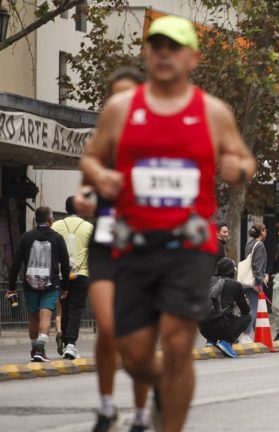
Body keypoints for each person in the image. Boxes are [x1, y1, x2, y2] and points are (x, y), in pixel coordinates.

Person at [79, 16, 256, 432]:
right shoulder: (122, 109)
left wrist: (239, 169)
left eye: (173, 47)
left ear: (192, 57)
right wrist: (99, 176)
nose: (163, 53)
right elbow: (90, 155)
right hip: (134, 244)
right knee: (135, 353)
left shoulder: (212, 112)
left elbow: (243, 159)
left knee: (178, 346)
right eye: (156, 45)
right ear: (147, 54)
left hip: (189, 246)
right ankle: (164, 384)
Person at [74, 66, 151, 432]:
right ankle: (107, 407)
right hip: (106, 244)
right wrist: (84, 198)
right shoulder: (101, 144)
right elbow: (85, 189)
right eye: (115, 97)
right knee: (108, 328)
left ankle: (139, 412)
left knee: (137, 335)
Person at [7, 207, 70, 363]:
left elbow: (15, 264)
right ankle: (40, 350)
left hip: (30, 284)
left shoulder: (26, 237)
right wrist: (66, 286)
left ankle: (35, 349)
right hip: (51, 283)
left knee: (33, 317)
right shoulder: (57, 238)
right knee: (46, 315)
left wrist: (11, 286)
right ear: (50, 220)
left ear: (36, 220)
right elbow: (65, 264)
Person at [51, 196, 94, 360]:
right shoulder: (89, 227)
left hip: (61, 275)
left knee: (64, 308)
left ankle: (65, 339)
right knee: (76, 308)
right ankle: (71, 344)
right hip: (81, 273)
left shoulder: (56, 225)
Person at [200, 258, 251, 357]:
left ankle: (211, 341)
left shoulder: (207, 281)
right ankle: (226, 342)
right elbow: (245, 310)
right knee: (247, 317)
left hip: (203, 329)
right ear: (232, 271)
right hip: (221, 328)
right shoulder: (235, 285)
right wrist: (242, 302)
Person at [241, 223, 267, 343]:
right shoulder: (259, 245)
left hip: (247, 280)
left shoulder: (249, 243)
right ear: (262, 231)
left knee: (254, 307)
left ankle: (258, 336)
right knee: (254, 308)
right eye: (265, 230)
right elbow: (256, 265)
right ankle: (245, 335)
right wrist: (258, 282)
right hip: (254, 281)